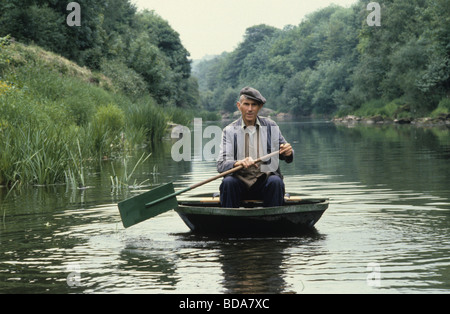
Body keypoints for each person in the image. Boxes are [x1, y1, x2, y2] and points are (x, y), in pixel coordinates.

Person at [217, 87, 293, 208]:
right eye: (246, 104)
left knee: (276, 182)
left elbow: (286, 154)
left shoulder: (270, 126)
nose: (250, 109)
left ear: (260, 107)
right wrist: (238, 162)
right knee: (228, 182)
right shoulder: (229, 131)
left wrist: (288, 152)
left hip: (264, 183)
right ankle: (229, 223)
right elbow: (221, 165)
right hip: (239, 184)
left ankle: (274, 221)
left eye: (254, 105)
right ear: (239, 105)